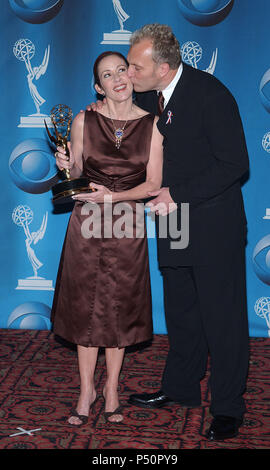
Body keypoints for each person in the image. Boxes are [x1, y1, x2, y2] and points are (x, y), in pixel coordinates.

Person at [87, 23, 250, 440]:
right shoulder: (148, 94)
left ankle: (229, 408)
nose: (127, 75)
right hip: (174, 222)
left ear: (163, 68)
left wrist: (178, 194)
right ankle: (180, 388)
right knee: (181, 310)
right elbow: (118, 112)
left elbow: (235, 166)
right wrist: (94, 114)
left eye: (134, 68)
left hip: (212, 225)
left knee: (222, 320)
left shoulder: (211, 96)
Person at [51, 50, 163, 425]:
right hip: (87, 223)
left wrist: (113, 197)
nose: (117, 78)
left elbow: (153, 184)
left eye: (121, 70)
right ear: (98, 86)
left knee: (118, 309)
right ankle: (87, 389)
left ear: (131, 76)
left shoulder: (154, 124)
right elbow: (78, 171)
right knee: (85, 309)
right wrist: (65, 165)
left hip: (127, 223)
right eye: (107, 75)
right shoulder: (84, 119)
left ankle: (112, 387)